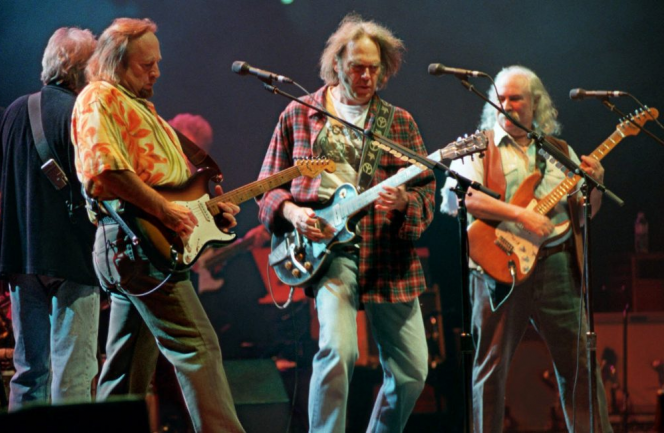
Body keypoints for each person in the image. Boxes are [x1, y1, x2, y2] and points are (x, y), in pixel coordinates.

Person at [257, 14, 435, 432]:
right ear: (336, 64)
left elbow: (427, 193)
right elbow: (265, 188)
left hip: (388, 255)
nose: (366, 75)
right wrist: (295, 213)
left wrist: (405, 201)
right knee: (338, 352)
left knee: (412, 373)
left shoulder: (400, 123)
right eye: (357, 66)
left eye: (374, 67)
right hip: (328, 253)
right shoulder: (300, 114)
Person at [71, 18, 244, 433]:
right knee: (199, 346)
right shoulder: (99, 97)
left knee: (127, 370)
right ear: (116, 64)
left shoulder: (141, 108)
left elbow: (171, 187)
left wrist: (206, 212)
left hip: (143, 246)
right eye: (146, 65)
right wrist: (167, 214)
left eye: (157, 63)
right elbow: (101, 174)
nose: (157, 72)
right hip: (135, 244)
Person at [441, 65, 612, 432]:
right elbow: (468, 198)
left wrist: (594, 186)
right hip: (499, 268)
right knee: (490, 369)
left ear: (535, 104)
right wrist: (523, 216)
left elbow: (584, 216)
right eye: (500, 98)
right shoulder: (480, 146)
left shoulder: (559, 151)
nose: (507, 105)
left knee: (580, 367)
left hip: (557, 267)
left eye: (515, 98)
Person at [0, 27, 100, 410]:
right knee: (72, 377)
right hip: (71, 256)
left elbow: (5, 182)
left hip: (21, 257)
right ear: (81, 69)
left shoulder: (11, 112)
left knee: (28, 372)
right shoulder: (80, 114)